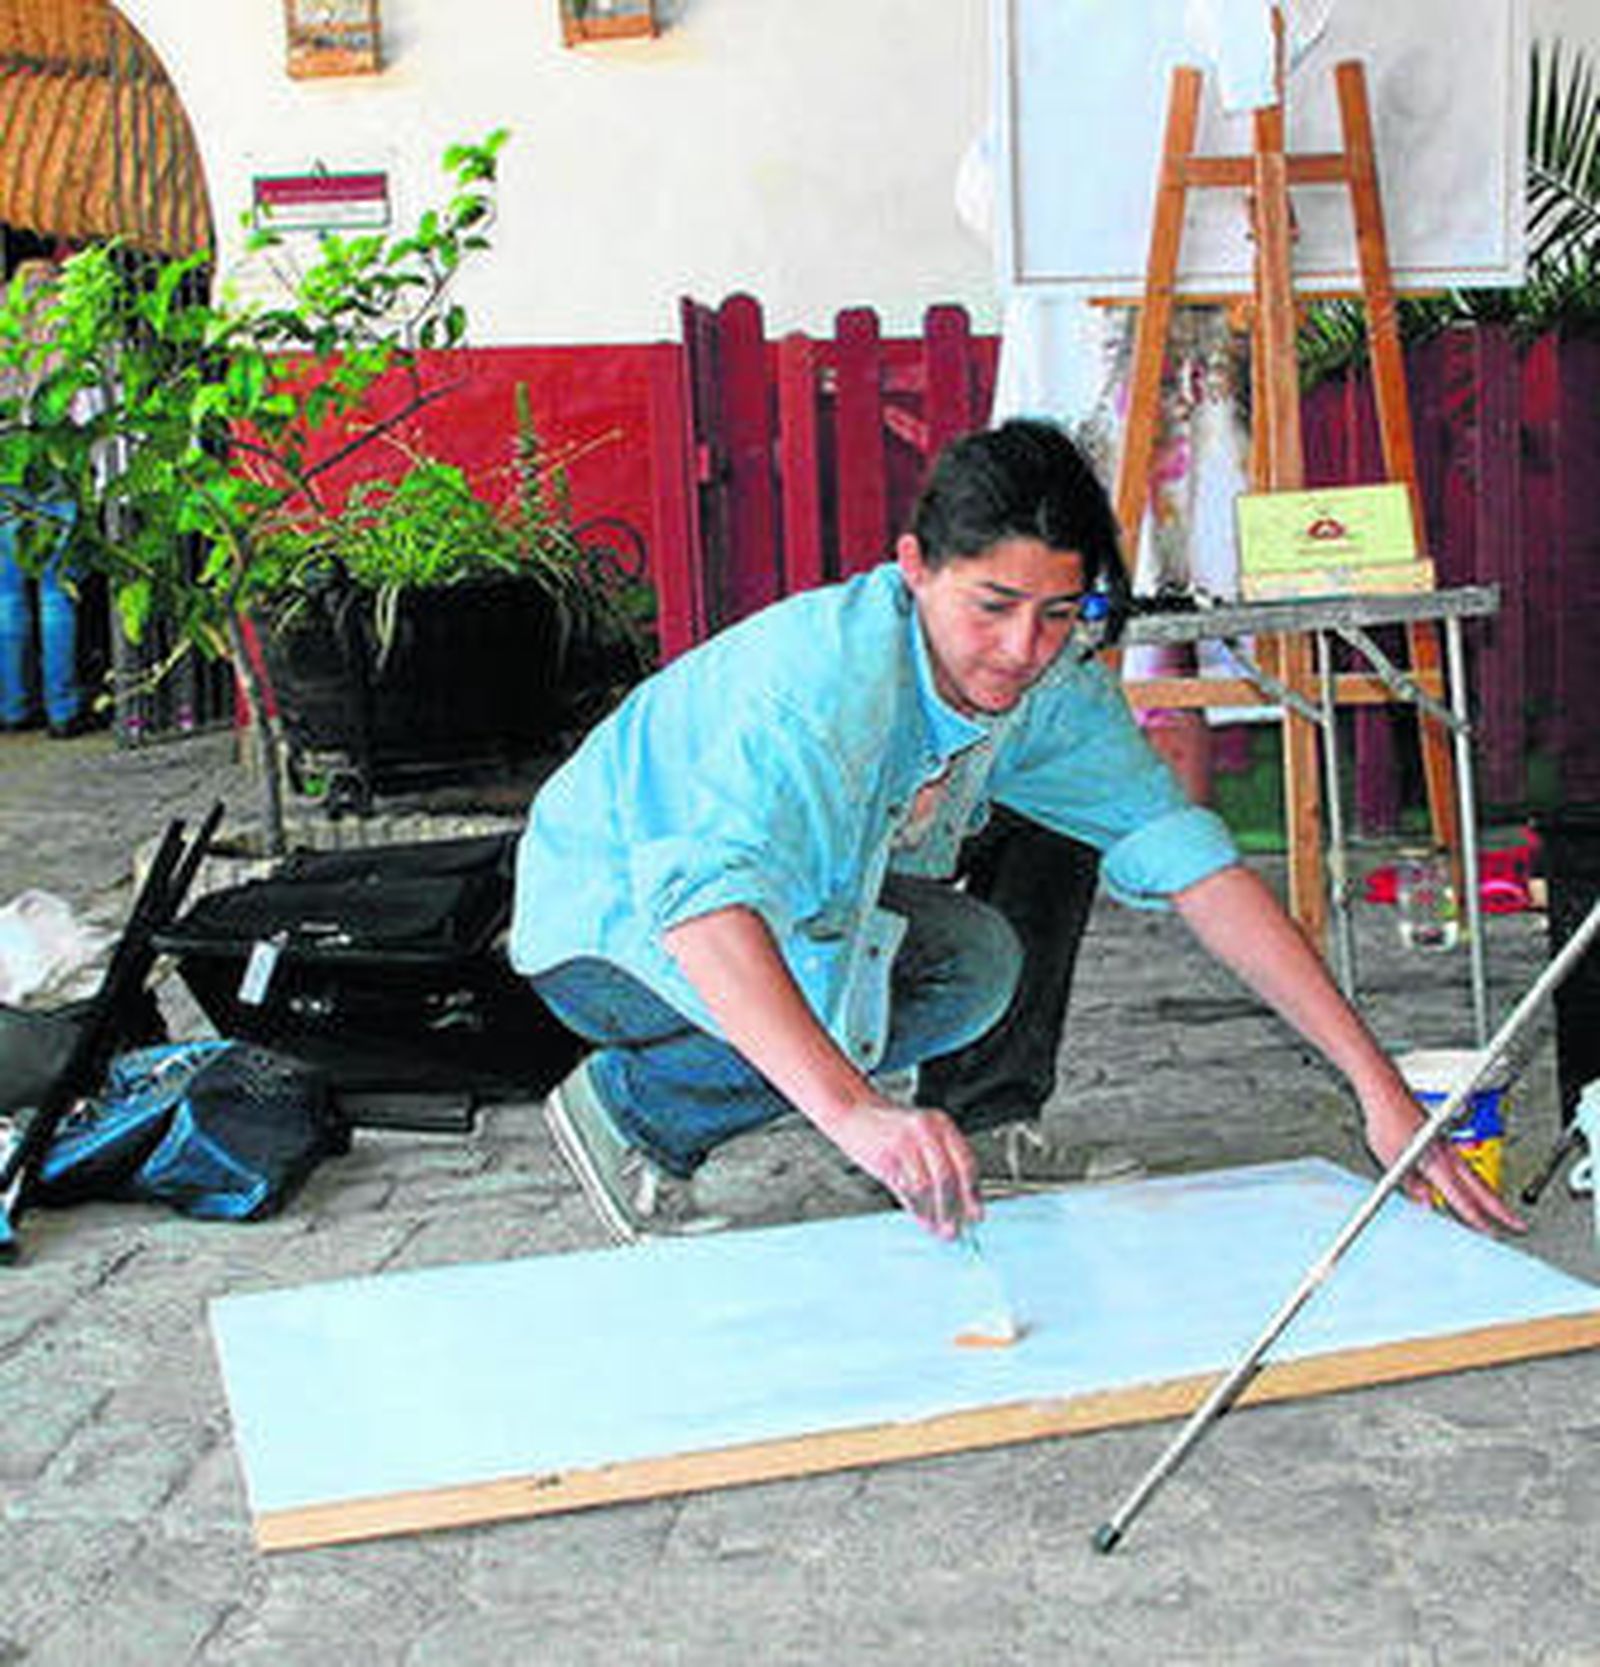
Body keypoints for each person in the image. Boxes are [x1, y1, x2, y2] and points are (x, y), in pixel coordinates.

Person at [510, 419, 1522, 1246]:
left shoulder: (1052, 683)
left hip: (798, 903)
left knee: (974, 964)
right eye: (991, 606)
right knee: (834, 1021)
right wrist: (857, 1113)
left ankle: (907, 1104)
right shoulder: (819, 691)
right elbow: (703, 912)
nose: (1022, 648)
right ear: (914, 567)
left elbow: (1195, 864)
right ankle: (633, 1111)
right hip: (600, 918)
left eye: (1058, 611)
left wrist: (1376, 1083)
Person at [0, 258, 84, 737]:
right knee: (57, 592)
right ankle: (63, 711)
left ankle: (12, 709)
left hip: (5, 457)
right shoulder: (72, 313)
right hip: (55, 457)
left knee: (6, 594)